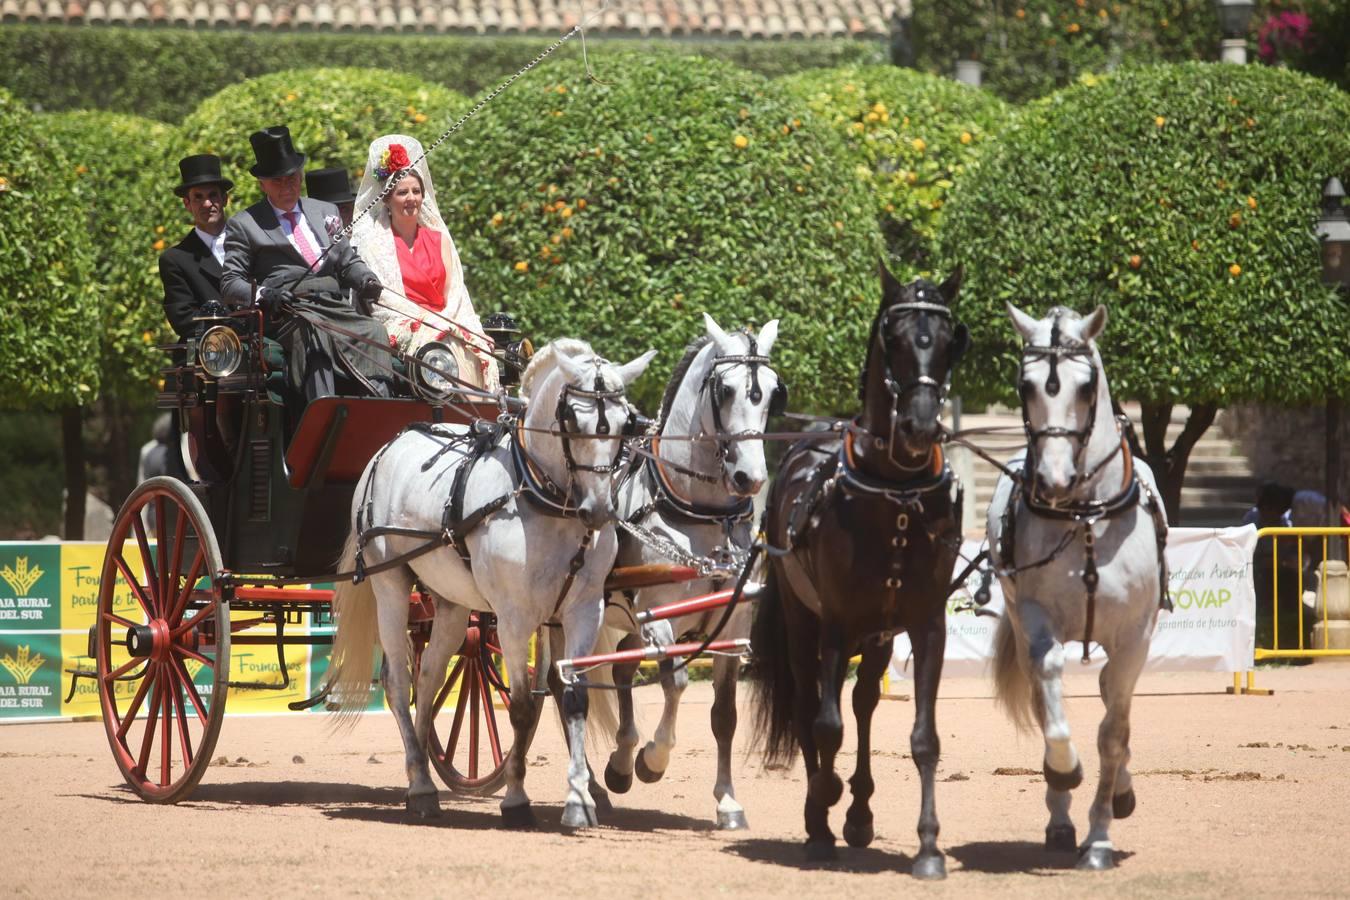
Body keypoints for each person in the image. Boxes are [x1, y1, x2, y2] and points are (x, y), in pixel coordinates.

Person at [221, 125, 393, 402]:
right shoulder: (244, 224)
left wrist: (366, 279)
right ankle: (322, 414)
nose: (287, 186)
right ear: (262, 184)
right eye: (277, 181)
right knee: (315, 334)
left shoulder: (324, 211)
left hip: (333, 306)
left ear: (300, 175)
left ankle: (379, 409)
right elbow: (230, 283)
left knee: (374, 331)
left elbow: (346, 262)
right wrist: (265, 294)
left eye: (292, 178)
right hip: (290, 311)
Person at [350, 134, 497, 390]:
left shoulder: (439, 239)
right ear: (386, 198)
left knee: (480, 348)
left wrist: (471, 329)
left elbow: (457, 295)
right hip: (406, 323)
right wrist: (434, 323)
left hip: (448, 321)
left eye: (416, 191)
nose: (411, 199)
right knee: (446, 346)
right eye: (402, 192)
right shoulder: (374, 243)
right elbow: (383, 300)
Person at [160, 154, 233, 338]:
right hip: (214, 354)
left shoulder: (249, 241)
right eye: (198, 197)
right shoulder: (176, 259)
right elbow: (183, 318)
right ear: (187, 204)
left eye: (212, 195)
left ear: (224, 199)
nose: (207, 203)